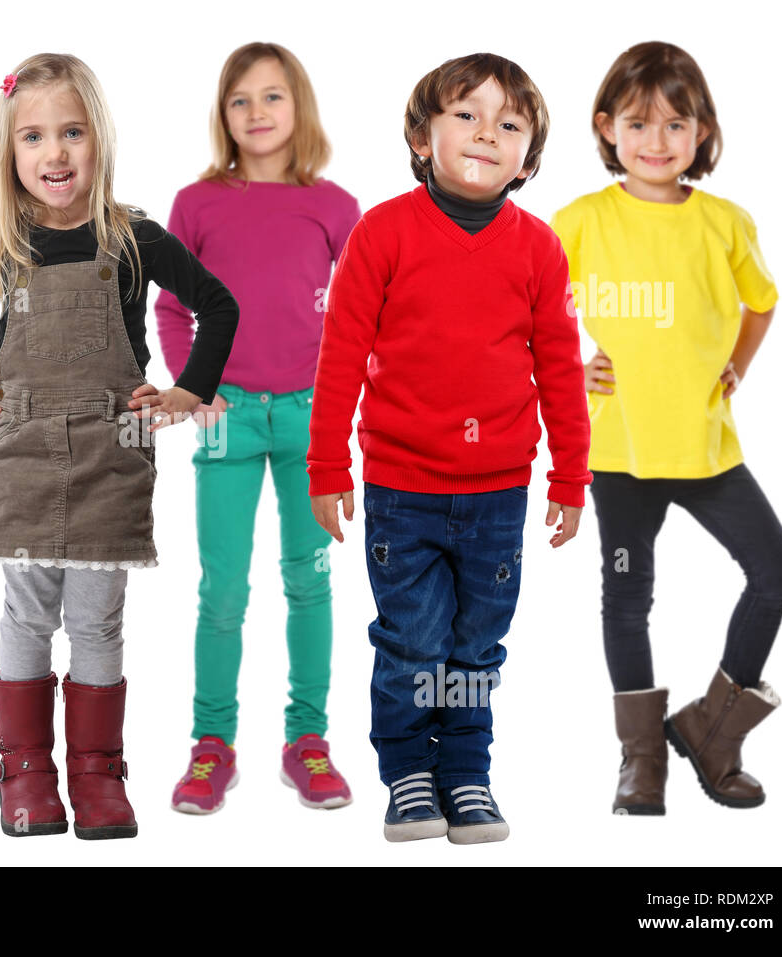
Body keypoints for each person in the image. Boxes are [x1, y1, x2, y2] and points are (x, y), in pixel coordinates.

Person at [0, 53, 238, 839]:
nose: (56, 153)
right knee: (27, 611)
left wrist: (188, 390)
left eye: (72, 132)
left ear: (98, 139)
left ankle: (97, 771)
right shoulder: (3, 243)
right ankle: (27, 769)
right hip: (24, 447)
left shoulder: (132, 236)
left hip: (115, 444)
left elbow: (217, 303)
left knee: (99, 617)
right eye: (34, 136)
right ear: (11, 153)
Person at [308, 53, 590, 844]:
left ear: (528, 159)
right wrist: (327, 467)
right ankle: (406, 770)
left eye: (508, 124)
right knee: (410, 639)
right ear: (422, 135)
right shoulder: (382, 233)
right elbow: (339, 358)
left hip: (500, 493)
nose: (485, 133)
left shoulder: (538, 248)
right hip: (402, 489)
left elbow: (561, 369)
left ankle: (466, 768)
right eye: (466, 114)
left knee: (474, 645)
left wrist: (571, 475)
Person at [551, 40, 782, 816]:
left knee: (777, 570)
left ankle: (711, 729)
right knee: (627, 599)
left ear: (702, 132)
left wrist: (738, 367)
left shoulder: (725, 222)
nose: (656, 142)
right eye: (637, 123)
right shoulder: (580, 221)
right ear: (606, 128)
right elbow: (529, 313)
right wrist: (564, 368)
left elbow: (761, 301)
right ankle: (641, 758)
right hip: (621, 449)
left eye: (676, 125)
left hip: (704, 446)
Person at [156, 42, 361, 816]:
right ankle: (212, 746)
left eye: (272, 97)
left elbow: (366, 309)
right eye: (240, 100)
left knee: (308, 580)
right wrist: (194, 387)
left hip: (311, 417)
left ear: (298, 107)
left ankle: (308, 739)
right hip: (225, 418)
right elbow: (175, 307)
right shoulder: (197, 203)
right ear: (224, 115)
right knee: (222, 588)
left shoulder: (336, 206)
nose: (257, 113)